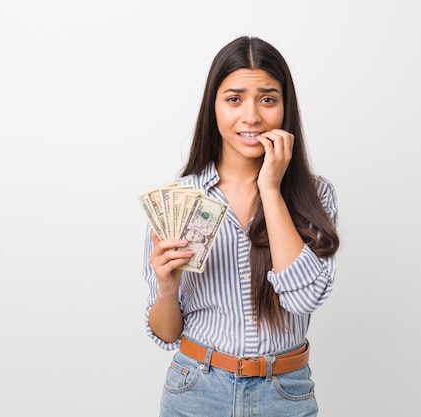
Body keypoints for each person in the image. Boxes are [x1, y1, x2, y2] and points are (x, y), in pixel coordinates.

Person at [142, 35, 340, 417]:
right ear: (213, 108)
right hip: (195, 389)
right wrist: (167, 288)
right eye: (234, 99)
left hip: (285, 393)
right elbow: (166, 333)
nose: (251, 116)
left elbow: (303, 300)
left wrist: (270, 188)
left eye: (268, 99)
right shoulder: (180, 199)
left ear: (285, 108)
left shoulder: (316, 196)